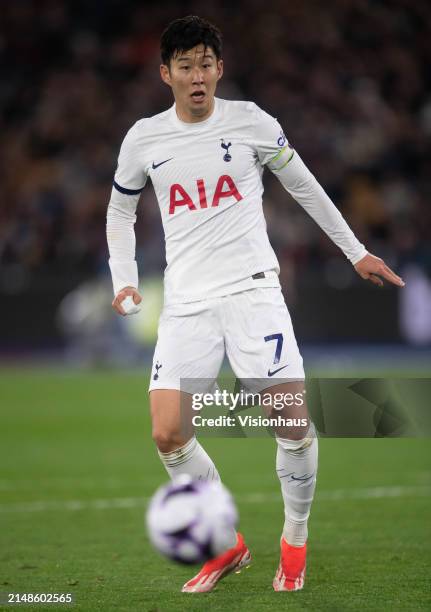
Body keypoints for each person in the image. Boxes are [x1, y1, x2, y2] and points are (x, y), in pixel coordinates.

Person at [106, 15, 405, 593]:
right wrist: (124, 276)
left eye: (205, 64)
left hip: (252, 291)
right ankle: (227, 543)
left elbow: (306, 187)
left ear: (220, 68)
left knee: (290, 423)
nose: (197, 76)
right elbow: (120, 212)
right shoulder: (144, 138)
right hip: (187, 300)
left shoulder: (252, 123)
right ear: (165, 73)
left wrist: (355, 252)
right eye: (184, 66)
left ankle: (295, 537)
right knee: (167, 432)